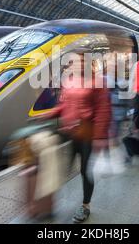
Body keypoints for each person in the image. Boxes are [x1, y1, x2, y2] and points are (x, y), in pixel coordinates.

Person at [43, 52, 111, 223]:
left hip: (87, 132)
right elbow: (63, 104)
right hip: (68, 132)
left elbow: (103, 111)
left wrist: (99, 137)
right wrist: (48, 115)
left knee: (85, 171)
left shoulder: (97, 82)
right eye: (74, 62)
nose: (78, 65)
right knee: (60, 168)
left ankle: (85, 206)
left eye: (81, 61)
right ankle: (48, 204)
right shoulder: (69, 80)